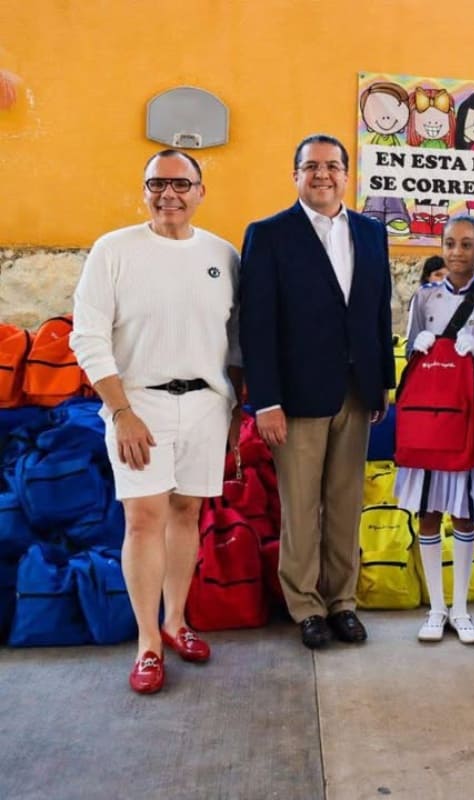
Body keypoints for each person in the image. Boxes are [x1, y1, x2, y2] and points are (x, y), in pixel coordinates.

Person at [71, 149, 240, 694]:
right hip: (138, 405)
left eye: (181, 184)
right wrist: (120, 412)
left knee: (187, 512)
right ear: (143, 190)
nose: (169, 194)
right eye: (157, 183)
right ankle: (147, 643)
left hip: (207, 405)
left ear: (200, 191)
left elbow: (236, 340)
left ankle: (175, 622)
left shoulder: (223, 254)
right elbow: (88, 335)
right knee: (144, 518)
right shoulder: (113, 251)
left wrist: (235, 410)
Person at [239, 134, 395, 650]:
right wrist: (266, 400)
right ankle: (305, 605)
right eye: (311, 166)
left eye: (332, 166)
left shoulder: (372, 233)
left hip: (356, 392)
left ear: (347, 174)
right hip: (295, 398)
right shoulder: (269, 235)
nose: (322, 175)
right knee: (301, 507)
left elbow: (378, 310)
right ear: (295, 175)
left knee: (346, 502)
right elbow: (256, 325)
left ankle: (342, 602)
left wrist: (383, 383)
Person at [398, 216, 474, 645]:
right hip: (430, 417)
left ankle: (461, 608)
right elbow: (411, 349)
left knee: (465, 513)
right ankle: (436, 608)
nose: (457, 251)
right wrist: (415, 347)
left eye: (467, 244)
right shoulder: (424, 296)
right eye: (450, 243)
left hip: (467, 416)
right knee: (430, 511)